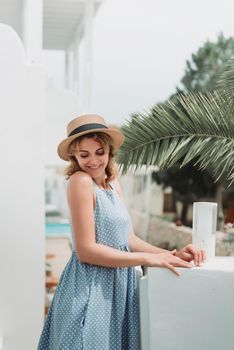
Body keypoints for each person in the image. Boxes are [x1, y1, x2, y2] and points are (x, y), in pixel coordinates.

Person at [37, 114, 205, 350]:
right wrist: (147, 259)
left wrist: (170, 255)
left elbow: (128, 239)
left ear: (109, 152)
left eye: (99, 152)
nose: (93, 161)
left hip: (119, 289)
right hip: (89, 288)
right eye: (84, 155)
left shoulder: (114, 183)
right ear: (74, 156)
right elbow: (86, 251)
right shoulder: (80, 181)